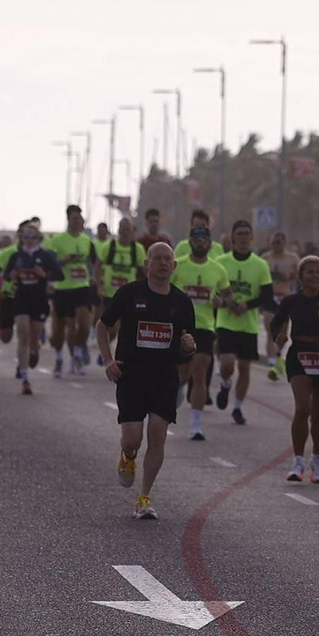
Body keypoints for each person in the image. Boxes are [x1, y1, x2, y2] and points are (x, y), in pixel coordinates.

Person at [97, 242, 196, 520]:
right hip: (131, 374)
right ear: (147, 264)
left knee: (158, 434)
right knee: (132, 439)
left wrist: (188, 345)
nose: (163, 263)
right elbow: (102, 326)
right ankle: (127, 456)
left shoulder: (181, 302)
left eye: (168, 259)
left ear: (174, 266)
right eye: (157, 258)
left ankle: (144, 497)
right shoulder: (130, 293)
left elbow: (186, 342)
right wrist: (107, 360)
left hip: (164, 376)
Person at [271, 255, 319, 484]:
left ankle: (316, 460)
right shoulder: (291, 300)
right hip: (299, 355)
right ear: (301, 277)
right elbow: (276, 322)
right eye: (311, 272)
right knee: (302, 408)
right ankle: (297, 460)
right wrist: (278, 336)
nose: (316, 276)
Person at [212, 221, 275, 426]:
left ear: (252, 238)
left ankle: (237, 407)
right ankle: (224, 383)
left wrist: (246, 306)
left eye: (246, 234)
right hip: (226, 322)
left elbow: (267, 297)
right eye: (239, 234)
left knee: (245, 367)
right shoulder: (221, 262)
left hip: (248, 324)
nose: (243, 238)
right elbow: (213, 291)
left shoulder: (260, 265)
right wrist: (222, 303)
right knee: (228, 362)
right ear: (232, 238)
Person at [172, 228, 230, 441]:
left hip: (204, 326)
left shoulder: (218, 269)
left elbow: (228, 297)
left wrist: (221, 302)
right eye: (196, 239)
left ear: (210, 243)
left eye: (204, 240)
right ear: (190, 242)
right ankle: (178, 386)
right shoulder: (178, 265)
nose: (200, 243)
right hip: (179, 325)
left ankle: (196, 425)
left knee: (200, 371)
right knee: (183, 372)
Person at [0, 224, 62, 394]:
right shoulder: (16, 256)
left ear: (38, 238)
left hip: (39, 300)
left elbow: (59, 274)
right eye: (25, 236)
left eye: (32, 236)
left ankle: (34, 350)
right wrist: (11, 275)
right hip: (21, 299)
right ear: (21, 238)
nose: (28, 240)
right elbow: (6, 274)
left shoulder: (45, 256)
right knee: (23, 333)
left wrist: (44, 275)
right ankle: (25, 378)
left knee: (33, 337)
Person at [47, 204, 100, 377]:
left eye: (80, 219)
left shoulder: (86, 241)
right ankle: (58, 358)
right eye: (74, 219)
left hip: (82, 287)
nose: (78, 222)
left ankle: (77, 353)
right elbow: (51, 264)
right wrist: (65, 260)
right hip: (63, 288)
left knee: (84, 322)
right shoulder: (57, 240)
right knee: (60, 328)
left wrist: (95, 279)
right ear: (68, 220)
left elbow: (94, 262)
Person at [263, 231, 299, 380]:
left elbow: (300, 274)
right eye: (273, 243)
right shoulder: (265, 258)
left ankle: (278, 356)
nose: (275, 245)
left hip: (285, 298)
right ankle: (272, 364)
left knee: (283, 332)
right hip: (270, 298)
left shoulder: (292, 258)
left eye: (278, 242)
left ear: (284, 243)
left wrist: (289, 276)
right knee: (270, 330)